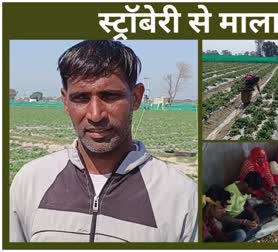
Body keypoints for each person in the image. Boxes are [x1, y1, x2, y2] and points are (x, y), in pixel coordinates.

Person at [9, 41, 197, 242]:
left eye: (109, 96)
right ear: (65, 101)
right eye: (81, 97)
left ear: (136, 97)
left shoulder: (181, 196)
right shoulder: (30, 182)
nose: (96, 115)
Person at [220, 172, 276, 241]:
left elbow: (246, 203)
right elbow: (224, 217)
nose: (253, 192)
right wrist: (244, 222)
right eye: (253, 190)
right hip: (233, 221)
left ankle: (253, 227)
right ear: (246, 185)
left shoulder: (244, 188)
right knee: (241, 234)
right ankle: (254, 228)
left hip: (243, 214)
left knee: (271, 207)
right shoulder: (230, 193)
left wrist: (253, 213)